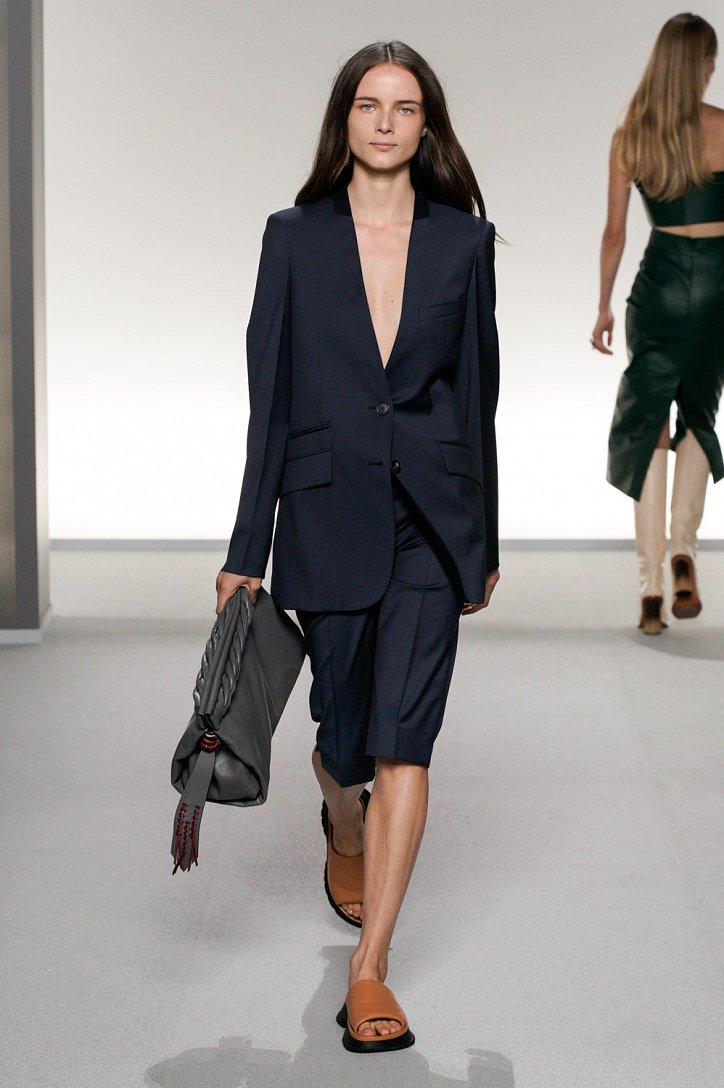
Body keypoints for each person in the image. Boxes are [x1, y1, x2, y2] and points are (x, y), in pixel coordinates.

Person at [216, 41, 499, 1052]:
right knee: (343, 738)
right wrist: (247, 546)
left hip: (431, 519)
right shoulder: (293, 238)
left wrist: (483, 536)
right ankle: (340, 815)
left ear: (427, 126)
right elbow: (269, 401)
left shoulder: (464, 242)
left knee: (404, 737)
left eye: (405, 106)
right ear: (345, 119)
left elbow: (478, 397)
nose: (385, 122)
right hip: (326, 507)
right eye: (369, 105)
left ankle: (370, 966)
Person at [592, 13, 724, 635]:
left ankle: (649, 589)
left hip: (661, 286)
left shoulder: (631, 138)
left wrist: (603, 306)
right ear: (703, 64)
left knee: (650, 423)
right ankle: (682, 552)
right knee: (700, 412)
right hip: (719, 286)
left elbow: (615, 233)